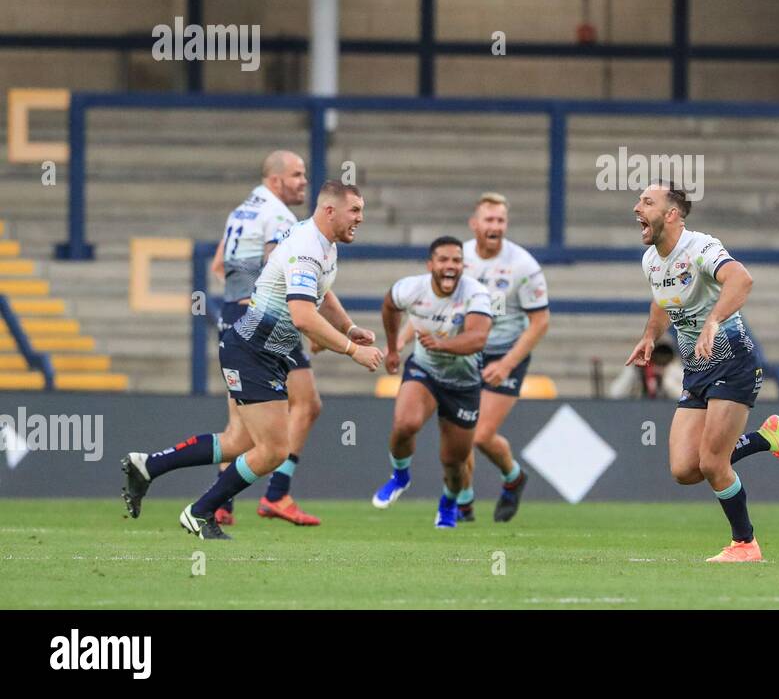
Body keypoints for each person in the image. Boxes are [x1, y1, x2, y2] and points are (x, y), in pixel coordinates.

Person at [121, 182, 383, 539]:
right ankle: (200, 512)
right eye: (354, 210)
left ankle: (148, 465)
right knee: (274, 449)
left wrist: (348, 327)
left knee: (237, 443)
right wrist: (354, 351)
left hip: (261, 350)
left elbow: (323, 291)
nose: (361, 218)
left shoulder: (321, 242)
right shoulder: (307, 248)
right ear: (329, 211)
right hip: (253, 351)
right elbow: (304, 317)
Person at [626, 181, 779, 564]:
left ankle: (745, 545)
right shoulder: (651, 261)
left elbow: (742, 279)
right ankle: (765, 439)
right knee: (684, 469)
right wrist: (649, 335)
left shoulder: (700, 247)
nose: (636, 208)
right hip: (697, 369)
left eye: (647, 202)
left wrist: (713, 321)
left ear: (671, 214)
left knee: (711, 464)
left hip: (733, 360)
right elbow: (662, 298)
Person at [208, 149, 323, 526]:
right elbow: (284, 270)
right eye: (297, 175)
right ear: (275, 181)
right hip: (264, 319)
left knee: (240, 427)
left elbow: (218, 266)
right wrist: (311, 322)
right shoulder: (278, 215)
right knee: (306, 403)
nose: (304, 181)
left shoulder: (240, 211)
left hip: (233, 315)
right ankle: (277, 494)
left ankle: (221, 503)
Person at [371, 237, 493, 529]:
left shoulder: (477, 293)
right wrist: (391, 348)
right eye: (443, 260)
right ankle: (400, 476)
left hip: (463, 382)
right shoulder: (412, 288)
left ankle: (449, 503)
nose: (450, 266)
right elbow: (389, 305)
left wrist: (441, 344)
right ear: (431, 265)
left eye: (456, 261)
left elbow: (478, 338)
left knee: (454, 462)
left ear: (463, 265)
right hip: (424, 370)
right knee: (405, 425)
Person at [460, 193, 549, 522]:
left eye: (501, 220)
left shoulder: (522, 265)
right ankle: (464, 506)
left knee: (480, 435)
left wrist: (507, 363)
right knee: (459, 434)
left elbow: (541, 322)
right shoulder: (458, 258)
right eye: (489, 220)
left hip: (505, 352)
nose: (495, 226)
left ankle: (513, 477)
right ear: (475, 224)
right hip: (468, 351)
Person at [608, 341, 684, 399]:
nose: (659, 360)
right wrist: (633, 371)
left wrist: (667, 379)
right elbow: (615, 394)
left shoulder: (673, 369)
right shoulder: (637, 371)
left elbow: (686, 397)